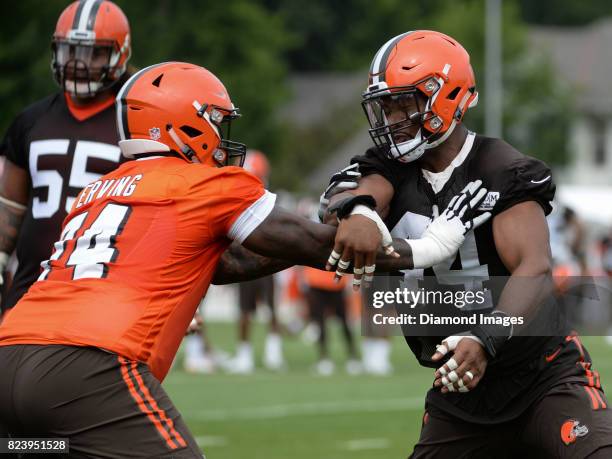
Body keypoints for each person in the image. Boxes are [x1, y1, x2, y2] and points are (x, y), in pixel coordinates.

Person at [0, 61, 489, 458]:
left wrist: (308, 244)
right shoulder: (201, 184)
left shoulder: (95, 193)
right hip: (87, 365)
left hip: (11, 355)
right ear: (181, 122)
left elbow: (222, 265)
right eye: (215, 121)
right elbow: (310, 241)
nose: (221, 136)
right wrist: (428, 245)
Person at [322, 30, 612, 457]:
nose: (392, 118)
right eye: (385, 106)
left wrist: (485, 337)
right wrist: (358, 211)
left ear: (446, 96)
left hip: (542, 375)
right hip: (461, 389)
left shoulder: (501, 168)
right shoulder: (389, 166)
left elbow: (533, 269)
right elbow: (344, 203)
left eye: (405, 102)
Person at [0, 0, 132, 317]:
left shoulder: (134, 121)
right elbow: (10, 206)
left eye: (93, 52)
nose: (78, 63)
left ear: (120, 54)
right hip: (30, 283)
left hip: (104, 285)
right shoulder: (31, 120)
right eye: (70, 50)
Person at [227, 150, 284, 373]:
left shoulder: (268, 198)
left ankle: (273, 352)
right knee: (245, 311)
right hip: (245, 260)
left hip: (265, 261)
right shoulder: (239, 196)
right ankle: (245, 355)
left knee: (269, 309)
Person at [302, 266, 361, 375]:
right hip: (316, 282)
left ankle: (352, 358)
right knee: (320, 323)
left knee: (344, 323)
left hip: (336, 282)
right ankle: (324, 359)